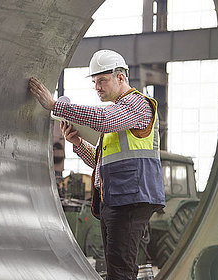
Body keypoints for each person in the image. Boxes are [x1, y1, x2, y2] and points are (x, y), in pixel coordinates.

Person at [29, 49, 165, 280]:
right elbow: (100, 163)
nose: (97, 87)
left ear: (121, 77)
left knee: (120, 271)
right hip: (116, 199)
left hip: (131, 198)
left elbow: (103, 119)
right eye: (94, 82)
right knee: (117, 269)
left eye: (102, 80)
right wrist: (78, 142)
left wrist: (55, 105)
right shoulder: (118, 118)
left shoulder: (137, 105)